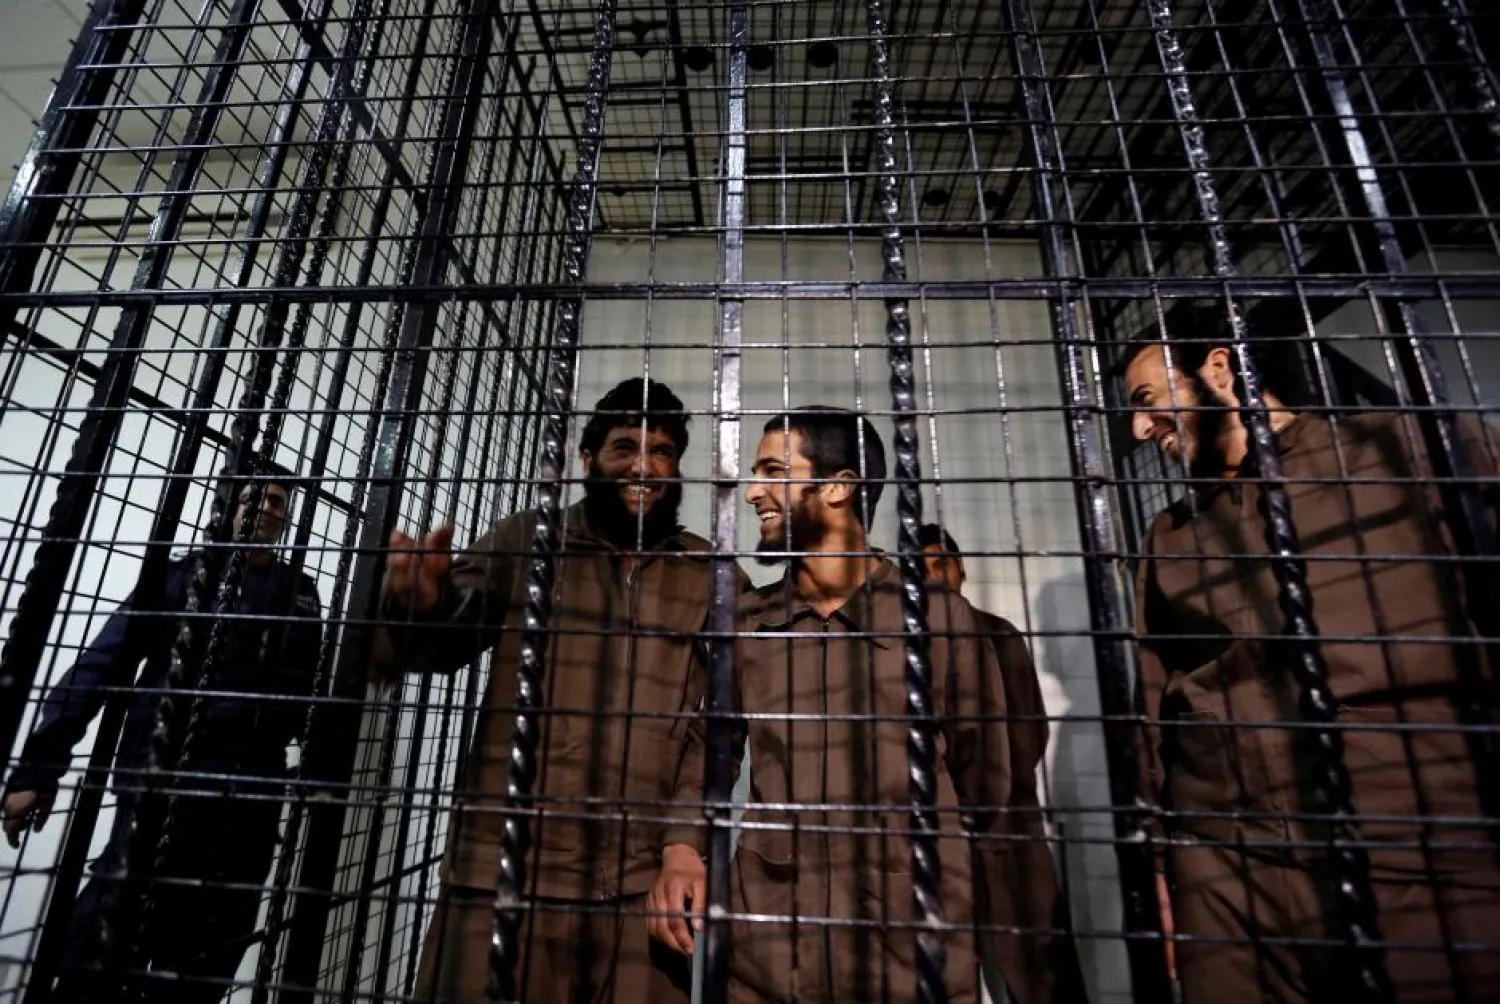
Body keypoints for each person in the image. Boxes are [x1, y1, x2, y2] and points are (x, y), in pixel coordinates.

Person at [1120, 320, 1500, 1003]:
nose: (1140, 430)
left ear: (1217, 369)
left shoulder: (1407, 451)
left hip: (1417, 840)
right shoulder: (1171, 535)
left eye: (1148, 399)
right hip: (1227, 865)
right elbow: (1155, 702)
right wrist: (1163, 858)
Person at [377, 378, 727, 1004]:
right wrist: (421, 608)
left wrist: (682, 845)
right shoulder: (527, 542)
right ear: (588, 459)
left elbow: (717, 725)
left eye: (663, 451)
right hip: (507, 875)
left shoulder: (703, 570)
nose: (645, 466)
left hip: (640, 888)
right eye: (624, 447)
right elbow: (441, 643)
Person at [649, 407, 1011, 1003]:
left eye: (773, 471)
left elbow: (987, 779)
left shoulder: (938, 619)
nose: (754, 493)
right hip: (770, 951)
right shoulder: (749, 622)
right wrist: (682, 846)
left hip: (909, 948)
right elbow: (710, 752)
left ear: (839, 487)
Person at [2, 474, 325, 1004]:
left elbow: (308, 697)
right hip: (163, 789)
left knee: (208, 964)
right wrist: (39, 768)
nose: (265, 507)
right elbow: (100, 665)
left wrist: (312, 767)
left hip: (248, 803)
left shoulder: (301, 593)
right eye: (252, 498)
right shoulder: (183, 578)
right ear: (226, 509)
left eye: (276, 500)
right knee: (96, 950)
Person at [917, 524, 1088, 1004]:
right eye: (922, 570)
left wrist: (986, 788)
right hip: (939, 830)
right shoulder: (904, 647)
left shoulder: (998, 634)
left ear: (961, 569)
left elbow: (1029, 728)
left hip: (1010, 822)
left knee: (1041, 970)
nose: (934, 578)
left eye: (941, 565)